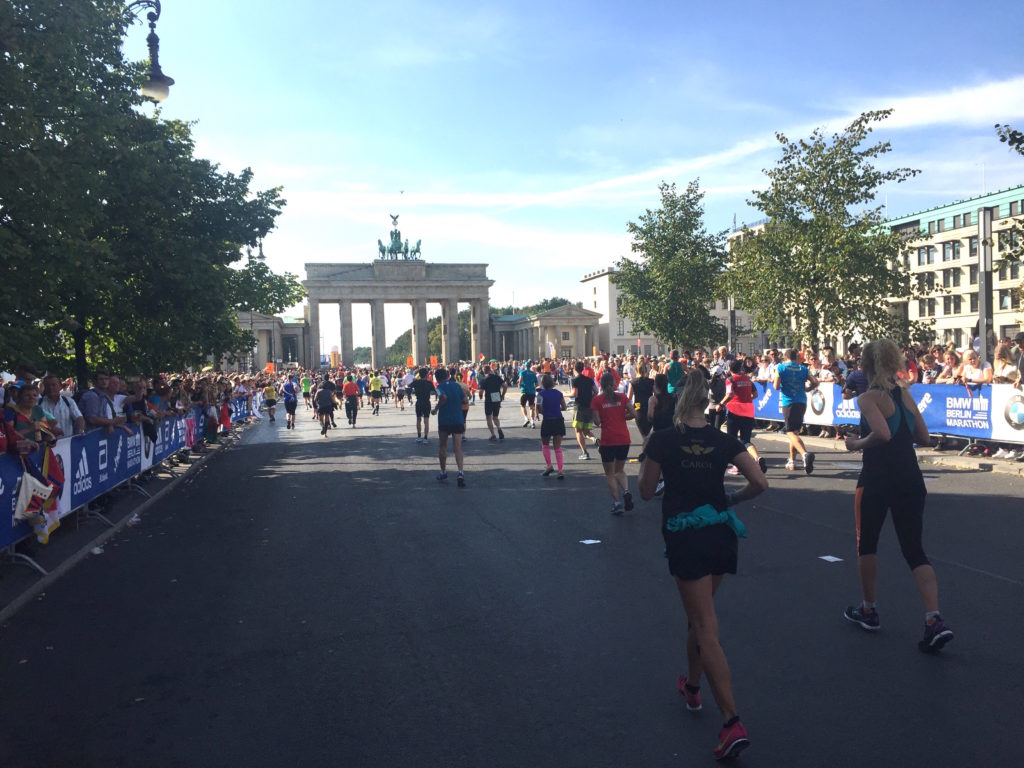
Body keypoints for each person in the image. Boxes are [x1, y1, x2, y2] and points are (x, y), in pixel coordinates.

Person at [638, 370, 768, 761]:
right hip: (721, 534)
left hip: (686, 535)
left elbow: (645, 492)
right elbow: (760, 482)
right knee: (699, 618)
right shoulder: (724, 440)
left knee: (704, 626)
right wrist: (732, 499)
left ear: (679, 400)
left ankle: (732, 722)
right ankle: (692, 687)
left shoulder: (662, 440)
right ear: (708, 402)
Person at [843, 339, 953, 653]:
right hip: (910, 477)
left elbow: (882, 434)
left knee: (867, 542)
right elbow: (924, 436)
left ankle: (868, 608)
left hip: (877, 477)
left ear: (866, 365)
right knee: (914, 548)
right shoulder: (905, 394)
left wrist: (854, 444)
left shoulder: (867, 398)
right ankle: (934, 619)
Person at [591, 372, 635, 514]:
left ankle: (617, 503)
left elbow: (597, 422)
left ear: (601, 385)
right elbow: (634, 413)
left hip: (608, 440)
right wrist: (622, 416)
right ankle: (627, 491)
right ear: (614, 383)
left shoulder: (597, 400)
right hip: (623, 438)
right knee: (620, 470)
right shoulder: (622, 397)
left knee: (610, 473)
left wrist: (602, 417)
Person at [773, 347, 818, 473]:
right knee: (795, 432)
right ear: (795, 357)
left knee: (789, 432)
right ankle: (792, 461)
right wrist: (807, 389)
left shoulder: (781, 367)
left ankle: (805, 454)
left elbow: (776, 386)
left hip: (789, 402)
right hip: (802, 402)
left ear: (785, 357)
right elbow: (815, 382)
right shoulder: (803, 368)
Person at [719, 359, 767, 474]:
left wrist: (721, 404)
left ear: (730, 369)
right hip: (748, 411)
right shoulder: (748, 379)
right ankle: (757, 458)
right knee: (745, 440)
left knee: (732, 439)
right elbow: (755, 394)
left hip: (735, 411)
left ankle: (738, 466)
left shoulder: (730, 379)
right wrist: (746, 399)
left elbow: (729, 394)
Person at [432, 368, 466, 487]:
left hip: (444, 420)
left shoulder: (439, 387)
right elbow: (465, 399)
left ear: (436, 378)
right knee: (458, 447)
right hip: (457, 419)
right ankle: (460, 472)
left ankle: (443, 472)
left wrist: (436, 408)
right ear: (447, 376)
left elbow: (443, 397)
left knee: (443, 446)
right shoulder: (457, 386)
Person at [537, 374, 567, 479]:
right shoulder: (559, 393)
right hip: (558, 420)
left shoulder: (540, 394)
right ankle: (560, 470)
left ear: (543, 384)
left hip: (548, 420)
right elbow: (564, 407)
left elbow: (539, 408)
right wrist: (556, 409)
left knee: (545, 444)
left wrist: (545, 412)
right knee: (557, 447)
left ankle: (549, 465)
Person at [571, 361, 599, 460]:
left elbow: (574, 394)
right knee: (586, 431)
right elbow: (596, 391)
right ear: (583, 369)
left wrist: (566, 394)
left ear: (574, 369)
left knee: (578, 431)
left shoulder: (574, 380)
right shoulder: (589, 380)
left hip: (579, 407)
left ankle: (585, 452)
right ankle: (594, 439)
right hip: (589, 406)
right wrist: (591, 398)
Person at [480, 363, 507, 441]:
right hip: (496, 397)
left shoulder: (484, 379)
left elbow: (481, 391)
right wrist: (502, 395)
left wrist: (481, 396)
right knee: (495, 416)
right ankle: (498, 428)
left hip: (488, 398)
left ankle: (493, 434)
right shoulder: (497, 377)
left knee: (488, 417)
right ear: (490, 370)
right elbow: (505, 386)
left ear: (484, 371)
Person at [411, 368, 436, 443]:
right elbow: (434, 391)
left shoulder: (416, 382)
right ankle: (425, 438)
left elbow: (408, 386)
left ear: (419, 374)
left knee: (418, 419)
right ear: (426, 375)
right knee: (426, 420)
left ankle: (419, 436)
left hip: (419, 402)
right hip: (426, 402)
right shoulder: (429, 383)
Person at [519, 362, 539, 428]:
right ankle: (532, 422)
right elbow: (536, 384)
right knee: (531, 407)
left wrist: (519, 386)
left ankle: (526, 418)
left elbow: (520, 380)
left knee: (522, 405)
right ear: (530, 366)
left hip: (524, 391)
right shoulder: (533, 374)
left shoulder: (522, 372)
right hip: (532, 392)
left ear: (525, 366)